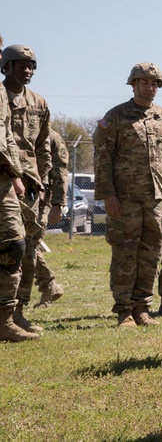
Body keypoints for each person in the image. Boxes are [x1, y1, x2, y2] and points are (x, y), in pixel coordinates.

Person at [93, 63, 162, 327]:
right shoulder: (116, 116)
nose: (150, 87)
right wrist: (107, 194)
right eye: (144, 82)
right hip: (124, 200)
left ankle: (143, 308)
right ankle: (124, 311)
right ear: (133, 85)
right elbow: (102, 158)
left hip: (157, 199)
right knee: (124, 253)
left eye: (154, 83)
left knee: (151, 253)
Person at [2, 45, 52, 334]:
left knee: (28, 251)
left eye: (32, 66)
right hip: (5, 180)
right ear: (6, 66)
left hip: (30, 185)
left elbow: (43, 146)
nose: (28, 70)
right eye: (22, 65)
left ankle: (18, 311)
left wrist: (42, 183)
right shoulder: (0, 97)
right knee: (9, 247)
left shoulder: (39, 103)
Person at [0, 36, 35, 342]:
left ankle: (5, 319)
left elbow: (6, 134)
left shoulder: (0, 93)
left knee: (14, 247)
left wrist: (16, 174)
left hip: (3, 182)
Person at [34, 130, 68, 308]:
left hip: (40, 200)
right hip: (15, 195)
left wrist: (57, 205)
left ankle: (48, 284)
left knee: (28, 244)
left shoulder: (52, 137)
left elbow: (60, 171)